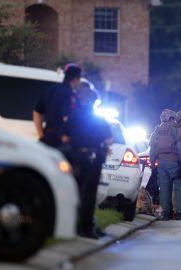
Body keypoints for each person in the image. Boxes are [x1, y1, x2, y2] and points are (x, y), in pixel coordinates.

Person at [63, 83, 113, 239]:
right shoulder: (98, 119)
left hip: (75, 157)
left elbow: (64, 137)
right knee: (89, 195)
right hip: (93, 159)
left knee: (75, 191)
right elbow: (110, 139)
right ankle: (86, 228)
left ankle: (72, 226)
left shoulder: (72, 116)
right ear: (94, 101)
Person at [149, 109, 181, 220]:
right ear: (171, 118)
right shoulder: (175, 130)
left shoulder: (156, 131)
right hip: (174, 162)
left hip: (161, 163)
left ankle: (166, 213)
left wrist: (152, 164)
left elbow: (152, 149)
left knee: (164, 189)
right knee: (179, 187)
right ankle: (180, 213)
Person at [33, 64, 81, 147]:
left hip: (47, 136)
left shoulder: (50, 89)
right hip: (61, 140)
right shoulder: (71, 94)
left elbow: (37, 112)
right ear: (75, 79)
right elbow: (66, 118)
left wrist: (41, 135)